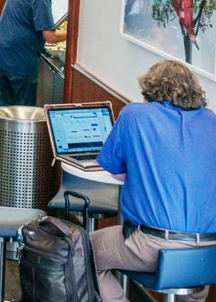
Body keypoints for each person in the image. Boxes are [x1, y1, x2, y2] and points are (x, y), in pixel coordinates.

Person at [90, 60, 216, 302]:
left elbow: (115, 170)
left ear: (150, 92)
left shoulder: (135, 114)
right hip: (210, 249)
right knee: (195, 280)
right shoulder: (211, 120)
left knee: (85, 250)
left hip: (153, 245)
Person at [0, 0, 69, 106]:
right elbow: (50, 36)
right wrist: (73, 34)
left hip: (1, 54)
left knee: (6, 106)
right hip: (20, 59)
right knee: (22, 111)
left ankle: (1, 131)